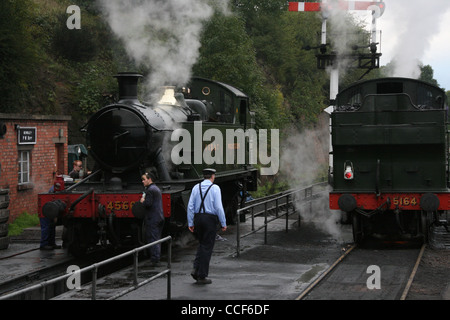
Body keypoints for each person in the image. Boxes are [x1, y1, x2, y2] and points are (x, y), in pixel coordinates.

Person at [187, 168, 227, 284]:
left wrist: (191, 222)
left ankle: (196, 269)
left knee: (202, 244)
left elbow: (190, 206)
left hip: (198, 218)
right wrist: (223, 223)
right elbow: (219, 207)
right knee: (207, 247)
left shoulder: (196, 187)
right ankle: (202, 275)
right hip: (210, 219)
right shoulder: (215, 188)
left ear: (204, 176)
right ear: (212, 176)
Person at [140, 172, 164, 267]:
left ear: (150, 179)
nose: (142, 181)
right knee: (157, 238)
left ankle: (155, 259)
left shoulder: (150, 190)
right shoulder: (156, 188)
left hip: (153, 218)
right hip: (159, 217)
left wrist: (143, 201)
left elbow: (148, 204)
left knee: (153, 238)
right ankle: (156, 257)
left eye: (144, 179)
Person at [40, 184, 61, 250]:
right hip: (46, 211)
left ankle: (51, 243)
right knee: (46, 227)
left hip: (51, 211)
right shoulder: (53, 192)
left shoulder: (54, 190)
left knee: (52, 227)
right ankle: (43, 244)